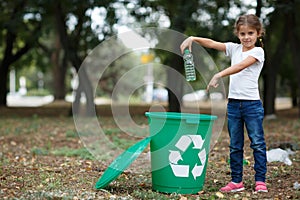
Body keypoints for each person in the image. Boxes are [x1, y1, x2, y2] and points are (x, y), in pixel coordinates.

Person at [180, 14, 268, 193]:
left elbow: (241, 66)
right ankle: (237, 181)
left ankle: (260, 180)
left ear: (258, 33)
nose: (246, 37)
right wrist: (193, 38)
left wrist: (219, 74)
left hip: (252, 105)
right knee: (235, 144)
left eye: (251, 33)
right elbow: (212, 43)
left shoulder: (258, 52)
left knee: (257, 143)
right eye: (242, 34)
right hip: (234, 105)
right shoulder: (234, 49)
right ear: (238, 34)